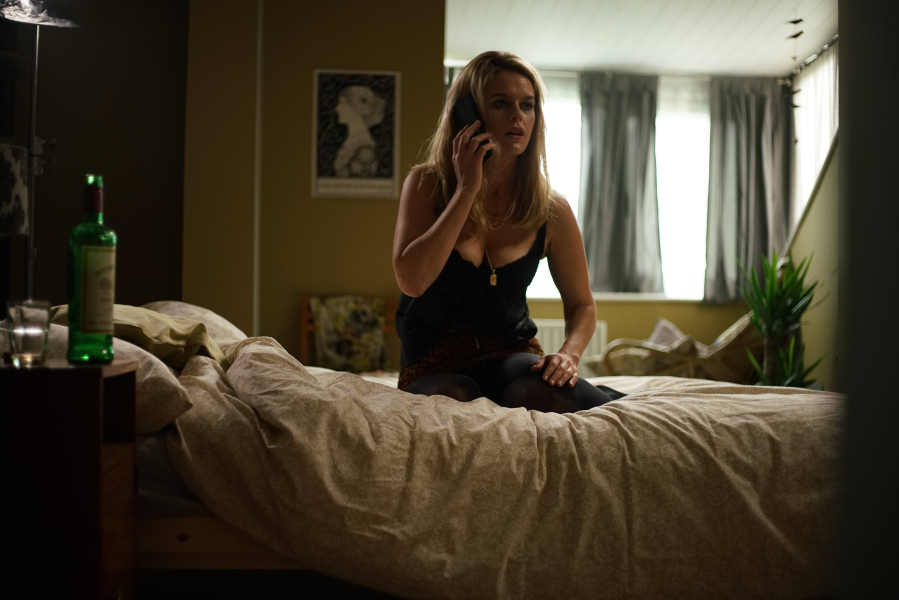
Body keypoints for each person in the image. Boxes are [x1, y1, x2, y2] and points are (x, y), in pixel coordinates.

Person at [392, 51, 622, 413]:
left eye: (527, 105)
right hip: (434, 363)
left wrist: (568, 355)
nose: (518, 116)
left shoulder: (551, 208)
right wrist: (467, 189)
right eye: (500, 104)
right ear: (468, 114)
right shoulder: (426, 185)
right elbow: (412, 281)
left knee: (537, 393)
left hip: (513, 354)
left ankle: (623, 409)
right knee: (452, 403)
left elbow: (582, 305)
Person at [333, 85, 386, 178]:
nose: (337, 108)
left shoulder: (364, 146)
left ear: (355, 108)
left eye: (342, 103)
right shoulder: (354, 139)